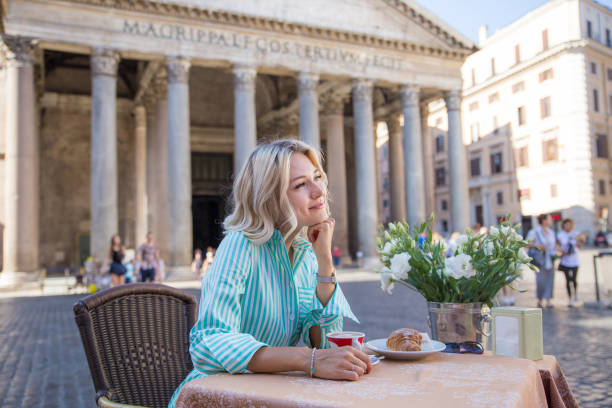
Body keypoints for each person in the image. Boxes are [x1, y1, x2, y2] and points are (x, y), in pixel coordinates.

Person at [168, 140, 370, 407]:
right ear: (269, 196)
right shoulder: (240, 244)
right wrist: (306, 360)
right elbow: (209, 342)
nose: (319, 191)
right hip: (218, 397)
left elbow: (326, 346)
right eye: (301, 185)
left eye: (317, 178)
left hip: (270, 394)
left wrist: (324, 261)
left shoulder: (305, 253)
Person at [527, 214, 557, 308]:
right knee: (540, 280)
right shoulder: (534, 232)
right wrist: (539, 246)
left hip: (550, 259)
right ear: (544, 221)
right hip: (539, 260)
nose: (551, 221)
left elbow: (554, 245)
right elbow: (527, 243)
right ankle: (540, 300)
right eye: (549, 219)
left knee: (550, 280)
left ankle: (548, 300)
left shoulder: (551, 232)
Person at [557, 219, 583, 307]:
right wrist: (562, 251)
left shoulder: (576, 234)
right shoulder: (560, 235)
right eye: (566, 224)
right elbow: (558, 247)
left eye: (569, 224)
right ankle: (569, 298)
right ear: (563, 225)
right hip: (565, 260)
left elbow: (580, 246)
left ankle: (575, 293)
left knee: (574, 280)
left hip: (575, 260)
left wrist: (581, 241)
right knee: (568, 280)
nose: (568, 226)